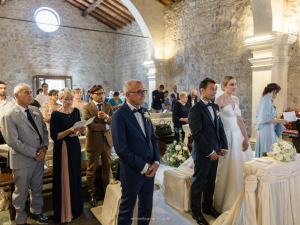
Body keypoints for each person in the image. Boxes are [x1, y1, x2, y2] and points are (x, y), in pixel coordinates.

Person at [111, 80, 159, 224]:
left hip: (150, 169)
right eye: (139, 92)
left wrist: (156, 161)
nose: (143, 94)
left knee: (146, 207)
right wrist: (143, 167)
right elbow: (121, 149)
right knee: (127, 210)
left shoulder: (145, 111)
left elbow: (153, 138)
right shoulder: (119, 116)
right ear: (127, 94)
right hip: (132, 171)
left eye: (143, 91)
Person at [1, 84, 49, 224]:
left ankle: (36, 212)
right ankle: (20, 218)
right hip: (22, 160)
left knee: (37, 188)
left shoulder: (35, 110)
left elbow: (44, 132)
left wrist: (44, 148)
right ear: (16, 95)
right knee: (21, 192)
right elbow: (13, 141)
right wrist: (34, 152)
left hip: (39, 158)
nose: (30, 95)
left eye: (30, 92)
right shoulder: (8, 115)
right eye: (26, 92)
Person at [189, 78, 228, 225]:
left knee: (211, 181)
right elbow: (197, 134)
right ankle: (196, 212)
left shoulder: (215, 107)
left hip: (215, 150)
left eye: (215, 89)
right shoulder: (195, 109)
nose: (214, 92)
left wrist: (223, 146)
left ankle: (207, 207)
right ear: (202, 90)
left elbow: (220, 127)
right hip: (203, 152)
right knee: (199, 182)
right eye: (211, 89)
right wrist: (209, 151)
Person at [213, 76, 254, 213]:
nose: (235, 87)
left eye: (235, 84)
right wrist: (219, 141)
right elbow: (215, 122)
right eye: (231, 84)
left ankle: (245, 196)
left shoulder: (236, 99)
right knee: (227, 167)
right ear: (224, 86)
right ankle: (226, 200)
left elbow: (239, 119)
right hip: (226, 136)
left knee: (242, 164)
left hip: (238, 135)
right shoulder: (219, 100)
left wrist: (246, 138)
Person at [50, 88, 85, 223]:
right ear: (60, 99)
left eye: (70, 98)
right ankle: (65, 210)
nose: (69, 101)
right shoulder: (55, 115)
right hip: (63, 147)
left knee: (75, 175)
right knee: (65, 177)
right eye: (66, 99)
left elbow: (79, 127)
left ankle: (75, 208)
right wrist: (70, 130)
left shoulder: (76, 111)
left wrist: (81, 129)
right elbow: (54, 136)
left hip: (74, 145)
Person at [82, 85, 114, 207]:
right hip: (94, 142)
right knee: (91, 169)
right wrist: (105, 126)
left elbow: (113, 121)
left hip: (107, 142)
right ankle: (91, 194)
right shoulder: (86, 108)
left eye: (102, 93)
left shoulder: (108, 106)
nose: (101, 95)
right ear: (92, 95)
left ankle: (107, 192)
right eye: (98, 93)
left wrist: (106, 117)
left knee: (107, 168)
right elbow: (90, 125)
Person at [255, 83, 287, 157]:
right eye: (278, 92)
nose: (278, 95)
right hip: (266, 129)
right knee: (268, 150)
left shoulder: (267, 99)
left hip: (268, 128)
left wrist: (279, 120)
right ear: (275, 91)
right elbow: (265, 118)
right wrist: (279, 121)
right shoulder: (266, 100)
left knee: (269, 149)